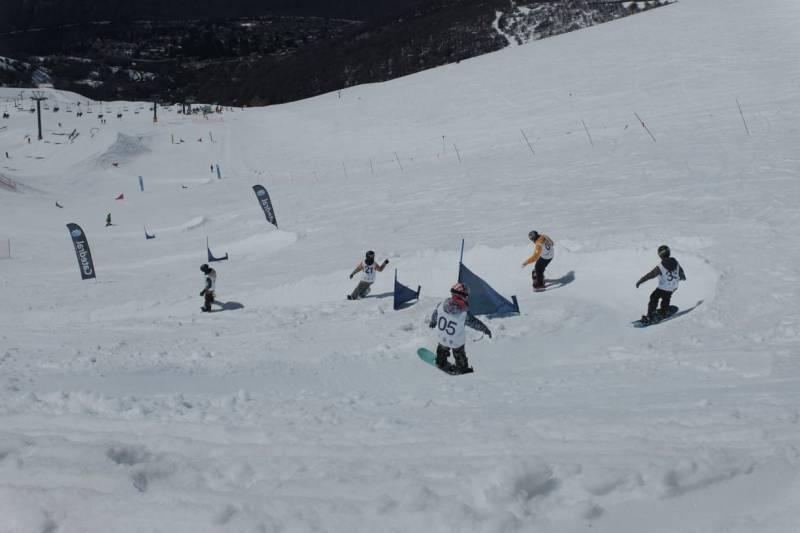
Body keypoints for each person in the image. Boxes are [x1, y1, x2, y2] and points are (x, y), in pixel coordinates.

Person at [428, 283, 492, 373]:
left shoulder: (441, 305)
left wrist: (433, 322)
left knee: (442, 349)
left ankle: (440, 362)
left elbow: (435, 314)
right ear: (463, 296)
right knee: (459, 353)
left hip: (442, 337)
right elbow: (474, 323)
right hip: (456, 341)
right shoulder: (463, 314)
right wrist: (484, 328)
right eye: (466, 296)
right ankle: (462, 367)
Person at [636, 245, 686, 324]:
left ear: (660, 255)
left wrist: (640, 281)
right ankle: (664, 311)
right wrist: (681, 278)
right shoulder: (676, 263)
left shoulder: (661, 266)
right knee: (666, 297)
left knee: (654, 297)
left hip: (663, 287)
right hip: (673, 286)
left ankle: (650, 316)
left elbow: (651, 275)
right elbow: (682, 274)